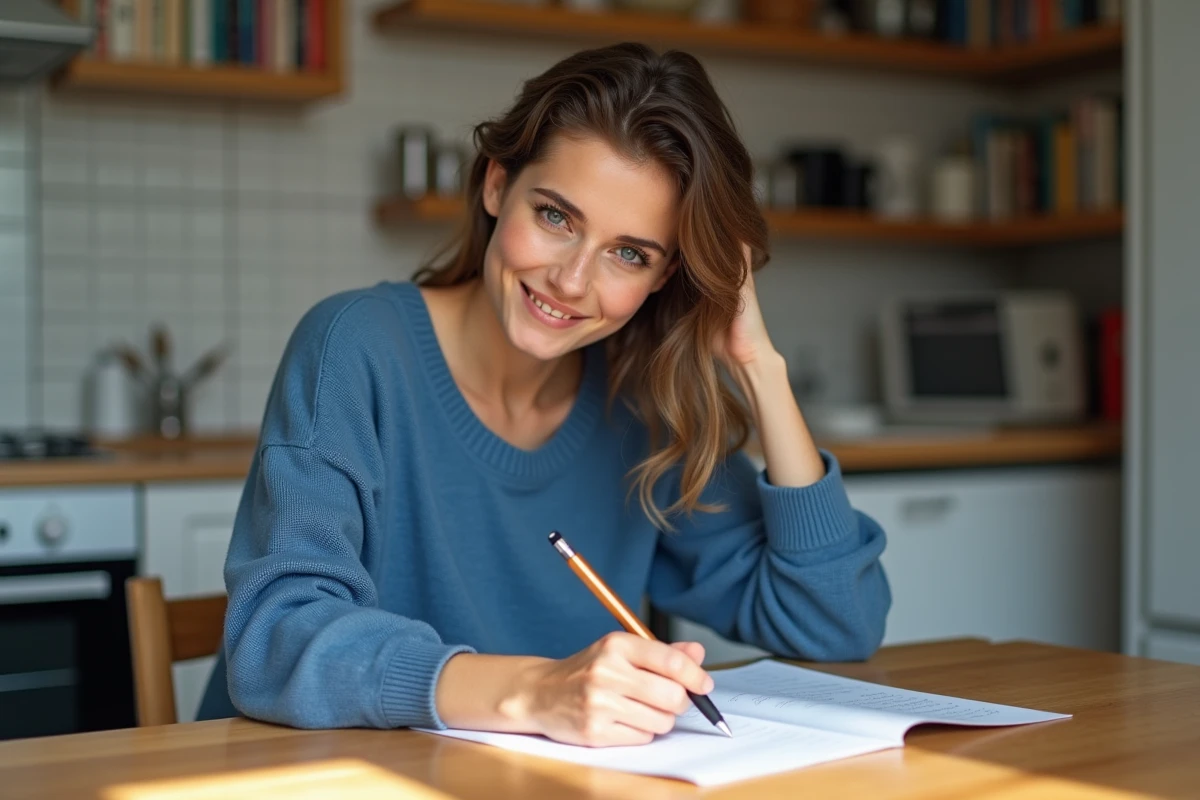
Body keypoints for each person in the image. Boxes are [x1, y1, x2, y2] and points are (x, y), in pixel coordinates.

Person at [196, 42, 890, 747]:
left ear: (664, 277)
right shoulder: (355, 346)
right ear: (497, 186)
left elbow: (838, 623)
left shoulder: (642, 407)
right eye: (556, 216)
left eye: (630, 253)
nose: (571, 280)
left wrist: (759, 364)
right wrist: (533, 693)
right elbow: (275, 635)